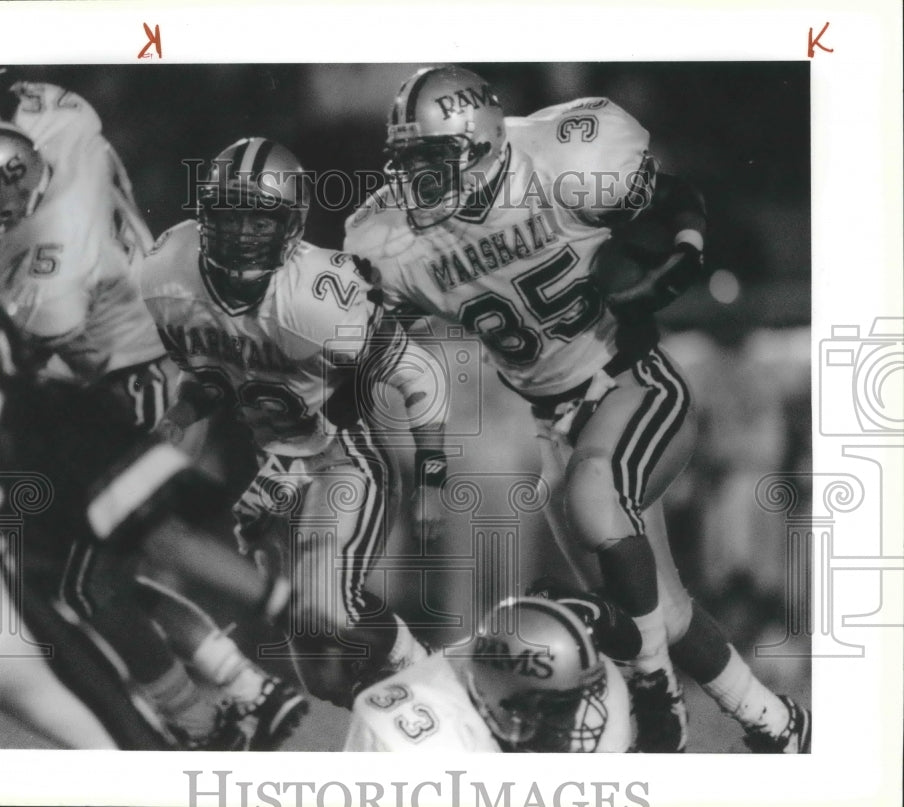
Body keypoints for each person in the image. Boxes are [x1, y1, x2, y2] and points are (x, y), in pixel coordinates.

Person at [344, 65, 810, 753]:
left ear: (479, 144)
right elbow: (361, 328)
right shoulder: (394, 240)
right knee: (658, 611)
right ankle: (777, 723)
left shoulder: (561, 158)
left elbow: (676, 199)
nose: (416, 183)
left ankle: (657, 699)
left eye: (432, 162)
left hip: (632, 380)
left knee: (598, 498)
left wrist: (676, 266)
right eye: (409, 164)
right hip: (554, 422)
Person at [0, 81, 304, 749]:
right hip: (138, 361)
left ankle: (225, 698)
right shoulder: (59, 120)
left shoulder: (48, 255)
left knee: (87, 578)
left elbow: (39, 344)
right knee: (92, 574)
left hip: (119, 383)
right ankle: (241, 686)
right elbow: (45, 110)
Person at [142, 136, 449, 708]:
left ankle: (433, 676)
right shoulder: (169, 271)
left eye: (258, 218)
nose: (239, 232)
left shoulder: (315, 294)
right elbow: (216, 376)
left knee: (327, 608)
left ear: (291, 222)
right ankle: (413, 730)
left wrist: (432, 474)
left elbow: (420, 374)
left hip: (342, 459)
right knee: (328, 678)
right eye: (228, 214)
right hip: (274, 463)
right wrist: (182, 412)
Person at [345, 587, 638, 752]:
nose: (572, 721)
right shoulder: (421, 743)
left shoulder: (588, 685)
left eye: (572, 701)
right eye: (557, 708)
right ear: (503, 702)